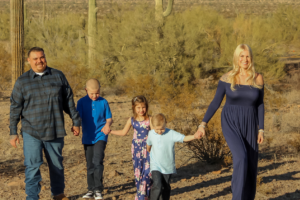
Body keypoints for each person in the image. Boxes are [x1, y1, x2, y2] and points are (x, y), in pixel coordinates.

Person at [9, 47, 81, 200]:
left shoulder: (58, 76)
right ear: (29, 61)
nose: (39, 61)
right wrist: (13, 132)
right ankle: (32, 197)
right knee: (32, 166)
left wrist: (75, 121)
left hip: (54, 129)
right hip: (31, 131)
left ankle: (58, 194)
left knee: (57, 165)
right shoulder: (22, 81)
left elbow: (68, 101)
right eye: (35, 59)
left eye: (41, 57)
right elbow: (15, 108)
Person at [197, 44, 264, 200]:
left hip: (250, 123)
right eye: (241, 56)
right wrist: (203, 124)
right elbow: (215, 102)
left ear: (251, 58)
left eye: (247, 56)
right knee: (241, 157)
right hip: (231, 121)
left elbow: (260, 104)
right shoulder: (227, 78)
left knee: (251, 164)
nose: (245, 59)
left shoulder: (257, 77)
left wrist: (261, 129)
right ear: (236, 58)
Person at [146, 113, 202, 200]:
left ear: (166, 123)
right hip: (155, 165)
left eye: (162, 128)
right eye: (157, 129)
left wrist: (194, 136)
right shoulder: (151, 133)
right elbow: (148, 145)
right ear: (153, 126)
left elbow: (183, 138)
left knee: (165, 187)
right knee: (157, 186)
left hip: (168, 166)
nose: (160, 131)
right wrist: (149, 152)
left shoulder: (171, 133)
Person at [74, 79, 112, 200]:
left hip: (101, 135)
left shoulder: (104, 102)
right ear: (86, 90)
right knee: (90, 164)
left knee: (98, 161)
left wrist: (107, 125)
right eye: (92, 93)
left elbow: (109, 118)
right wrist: (76, 127)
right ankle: (90, 189)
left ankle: (98, 189)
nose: (95, 95)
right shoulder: (81, 102)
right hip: (87, 137)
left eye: (97, 93)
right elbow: (78, 118)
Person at [109, 95, 152, 200]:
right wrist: (110, 131)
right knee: (138, 171)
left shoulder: (150, 119)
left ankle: (147, 194)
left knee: (148, 172)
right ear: (134, 107)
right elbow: (123, 132)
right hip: (136, 149)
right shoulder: (131, 120)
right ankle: (141, 194)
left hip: (149, 148)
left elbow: (157, 132)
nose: (141, 110)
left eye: (143, 107)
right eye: (138, 107)